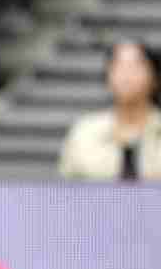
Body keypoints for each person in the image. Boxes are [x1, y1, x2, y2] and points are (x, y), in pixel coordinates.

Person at [60, 40, 161, 181]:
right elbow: (66, 189)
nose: (127, 75)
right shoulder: (84, 132)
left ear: (155, 77)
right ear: (108, 76)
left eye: (136, 66)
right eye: (119, 66)